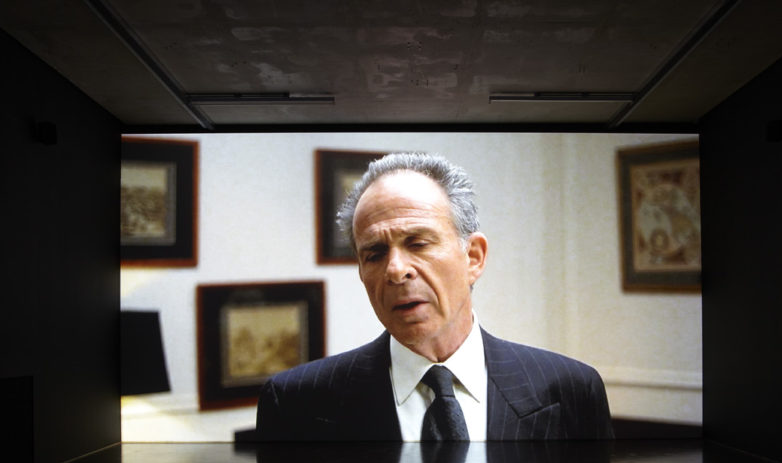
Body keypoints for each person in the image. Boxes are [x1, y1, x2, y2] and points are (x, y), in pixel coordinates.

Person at [255, 152, 613, 441]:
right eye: (375, 254)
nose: (396, 270)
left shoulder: (571, 390)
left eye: (418, 244)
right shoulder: (295, 403)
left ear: (473, 257)